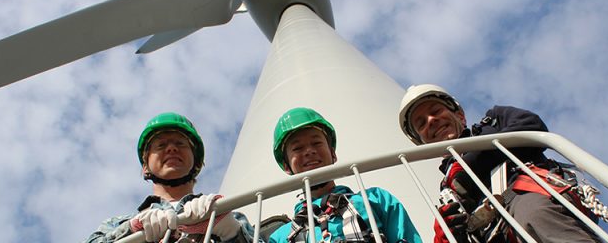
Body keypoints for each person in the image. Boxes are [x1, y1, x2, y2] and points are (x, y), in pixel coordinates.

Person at [398, 85, 602, 243]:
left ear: (460, 115)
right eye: (421, 124)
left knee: (533, 214)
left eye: (435, 111)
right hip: (494, 234)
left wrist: (470, 166)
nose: (431, 121)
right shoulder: (447, 189)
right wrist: (448, 231)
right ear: (422, 142)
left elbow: (531, 126)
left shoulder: (494, 121)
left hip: (528, 196)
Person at [84, 112, 257, 243]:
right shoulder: (117, 223)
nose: (172, 148)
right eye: (161, 145)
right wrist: (131, 229)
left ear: (196, 162)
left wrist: (232, 232)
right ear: (145, 167)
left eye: (180, 143)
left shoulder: (228, 214)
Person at [267, 107, 422, 243]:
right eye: (298, 148)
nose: (309, 151)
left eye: (316, 143)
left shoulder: (376, 199)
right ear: (287, 166)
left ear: (333, 154)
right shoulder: (280, 237)